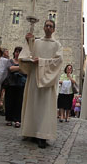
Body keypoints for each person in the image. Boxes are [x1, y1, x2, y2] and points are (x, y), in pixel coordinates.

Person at [19, 19, 63, 149]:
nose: (48, 28)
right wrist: (28, 41)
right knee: (33, 104)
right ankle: (31, 132)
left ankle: (42, 135)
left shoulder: (57, 45)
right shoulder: (36, 42)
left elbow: (58, 61)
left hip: (47, 81)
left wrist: (42, 61)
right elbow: (28, 54)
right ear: (43, 28)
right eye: (46, 25)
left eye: (51, 26)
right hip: (34, 78)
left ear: (53, 29)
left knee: (44, 107)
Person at [4, 46, 26, 128]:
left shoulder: (24, 62)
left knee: (19, 102)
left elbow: (26, 71)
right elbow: (11, 68)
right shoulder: (10, 61)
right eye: (16, 52)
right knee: (9, 102)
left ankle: (17, 120)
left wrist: (18, 68)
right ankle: (9, 119)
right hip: (10, 84)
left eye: (19, 52)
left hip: (20, 85)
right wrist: (20, 68)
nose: (18, 54)